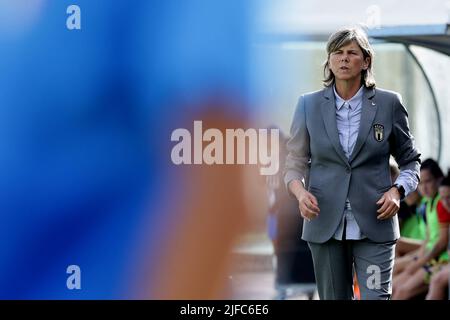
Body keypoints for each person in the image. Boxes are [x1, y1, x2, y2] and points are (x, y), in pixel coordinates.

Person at [284, 26, 421, 300]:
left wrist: (397, 192)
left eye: (351, 53)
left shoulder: (389, 103)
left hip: (375, 223)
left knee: (375, 297)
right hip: (324, 223)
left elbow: (411, 161)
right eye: (337, 52)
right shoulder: (307, 105)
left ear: (366, 61)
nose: (344, 59)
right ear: (329, 61)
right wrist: (300, 194)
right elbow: (294, 163)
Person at [392, 163, 449, 299]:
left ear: (439, 179)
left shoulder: (442, 202)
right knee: (394, 286)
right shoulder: (429, 204)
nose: (424, 187)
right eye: (421, 183)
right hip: (429, 257)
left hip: (438, 260)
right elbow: (428, 240)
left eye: (428, 181)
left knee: (402, 291)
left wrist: (419, 262)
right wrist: (416, 260)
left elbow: (442, 242)